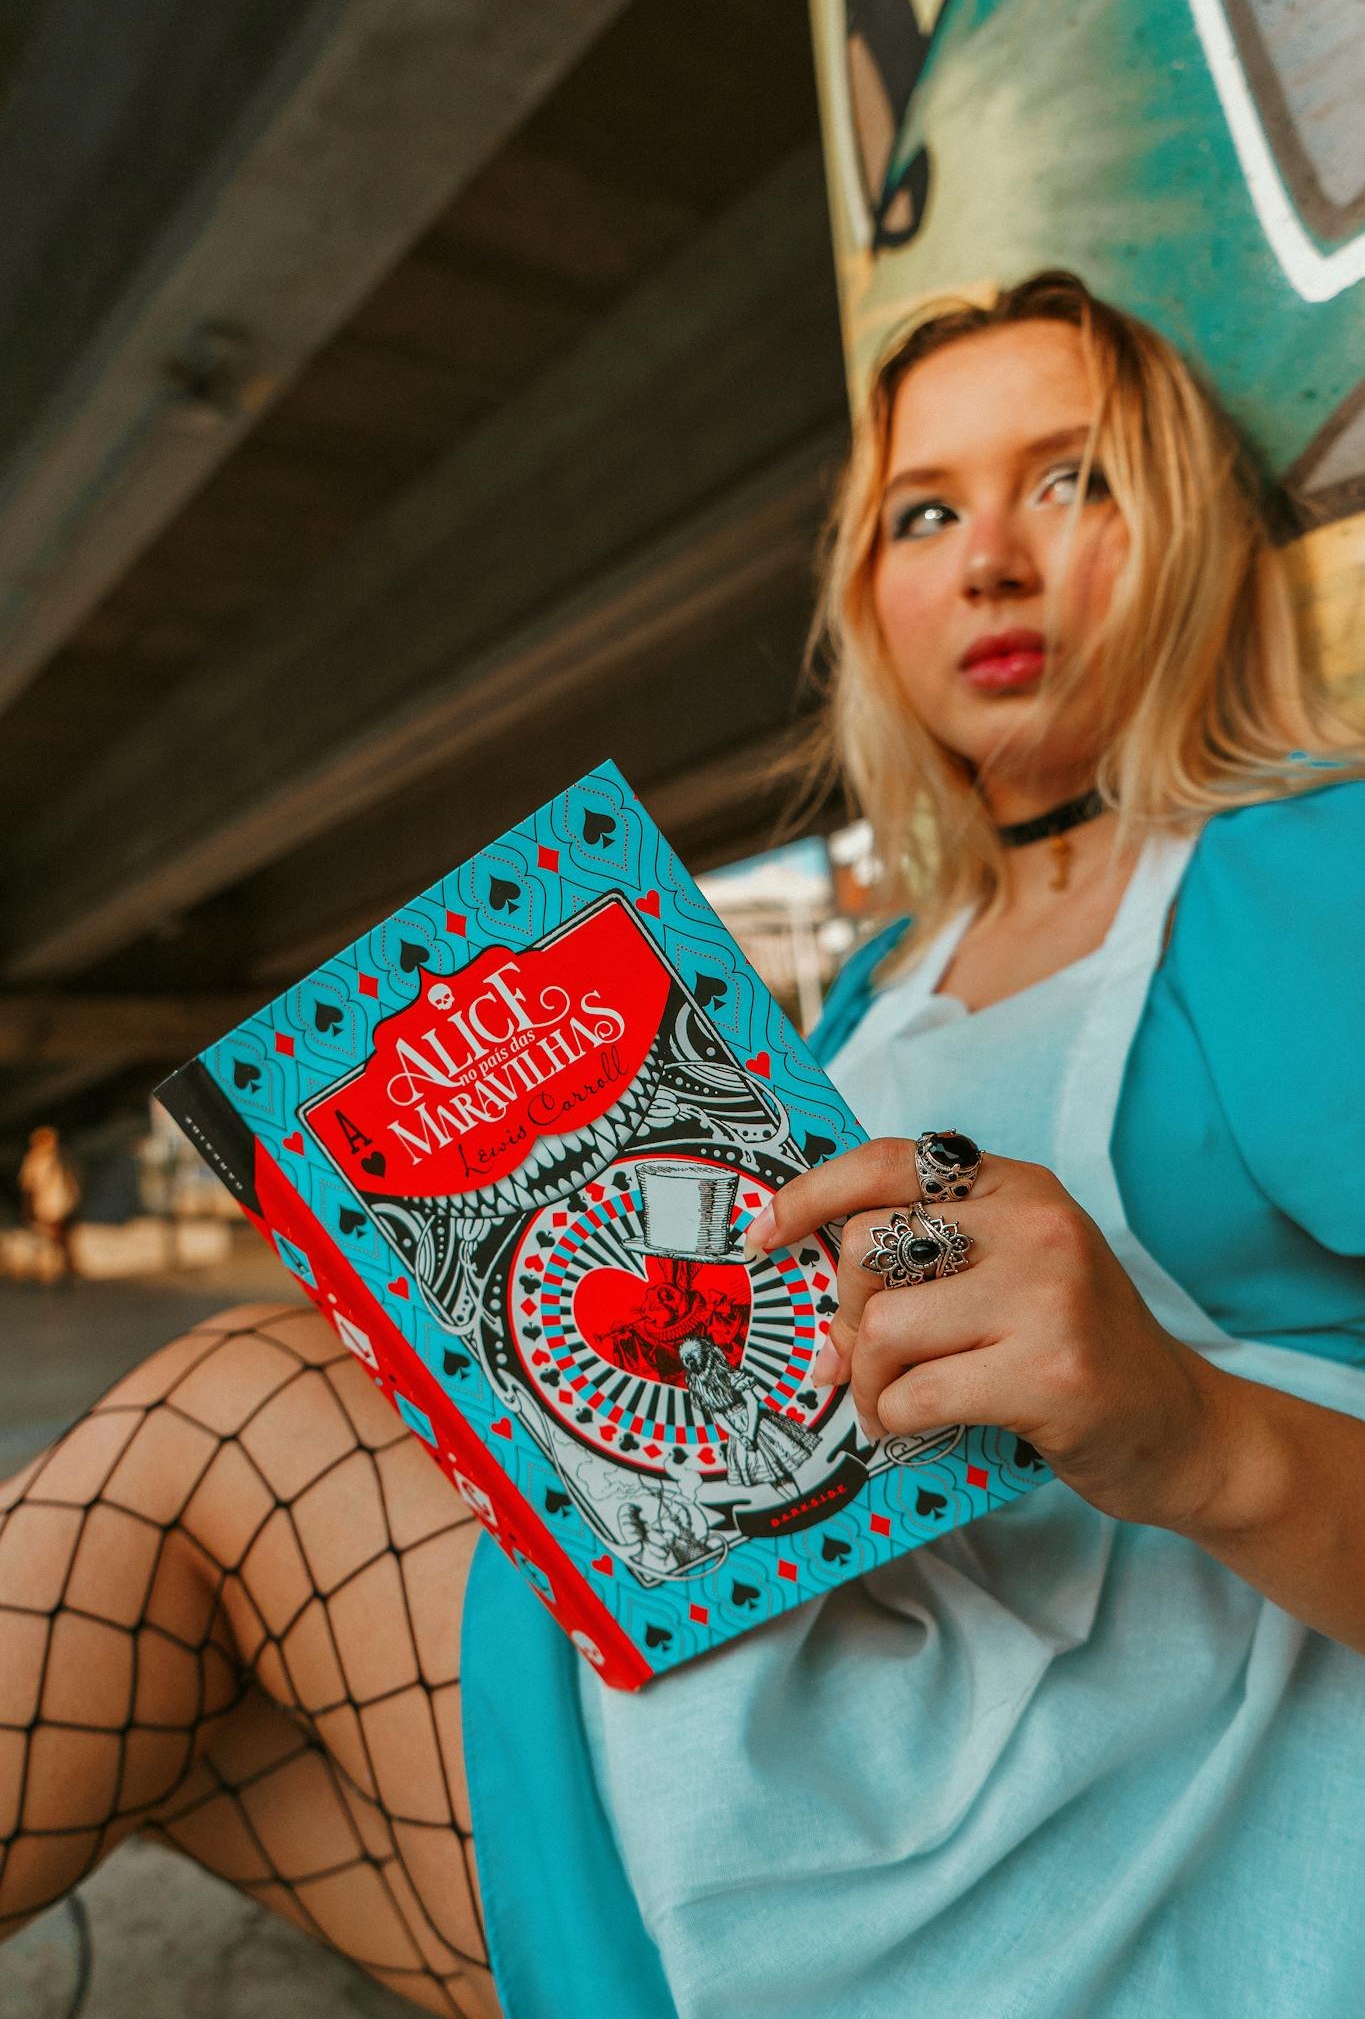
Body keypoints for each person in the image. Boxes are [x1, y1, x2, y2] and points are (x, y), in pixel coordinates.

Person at [0, 270, 1362, 2019]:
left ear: (1193, 523)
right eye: (922, 510)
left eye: (1070, 478)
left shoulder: (1317, 874)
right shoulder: (879, 978)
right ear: (868, 594)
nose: (990, 560)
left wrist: (1194, 1428)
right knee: (177, 1682)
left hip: (1137, 1803)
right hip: (821, 1679)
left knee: (218, 1419)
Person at [16, 1125, 81, 1283]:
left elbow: (72, 1181)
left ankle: (60, 1267)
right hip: (46, 1205)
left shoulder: (62, 1157)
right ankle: (55, 1267)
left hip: (60, 1205)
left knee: (59, 1237)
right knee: (51, 1237)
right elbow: (28, 1185)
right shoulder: (35, 1159)